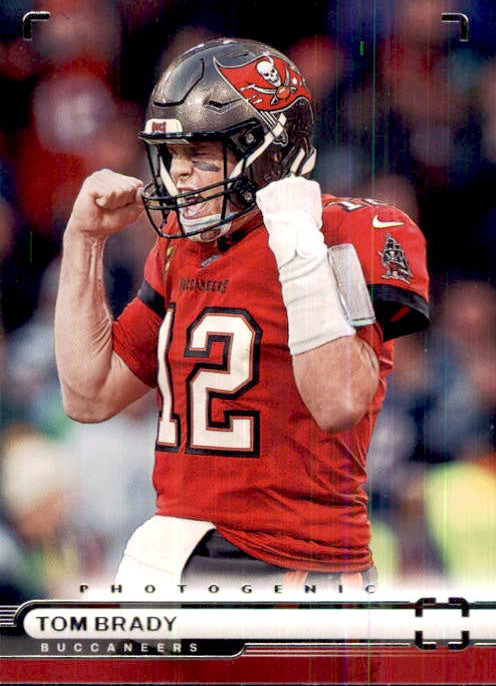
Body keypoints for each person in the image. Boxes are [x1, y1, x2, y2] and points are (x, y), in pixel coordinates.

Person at [54, 38, 430, 594]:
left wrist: (298, 245)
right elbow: (89, 395)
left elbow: (339, 403)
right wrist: (82, 240)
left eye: (201, 156)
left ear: (272, 154)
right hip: (182, 549)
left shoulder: (351, 232)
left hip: (299, 566)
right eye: (173, 156)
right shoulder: (182, 245)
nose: (180, 175)